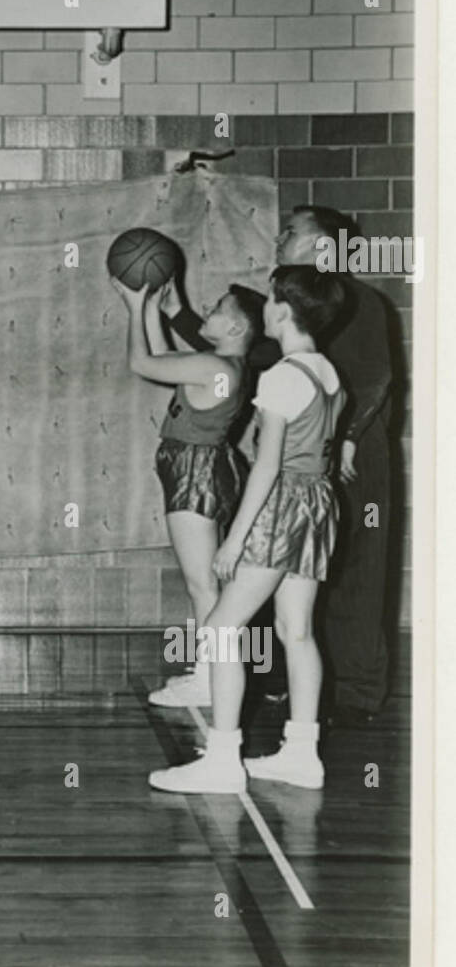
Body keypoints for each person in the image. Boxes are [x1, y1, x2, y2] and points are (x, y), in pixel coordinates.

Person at [169, 206, 396, 724]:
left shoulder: (359, 301)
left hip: (345, 457)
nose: (278, 237)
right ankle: (296, 713)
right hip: (314, 463)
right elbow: (247, 351)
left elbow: (377, 377)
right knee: (299, 608)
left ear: (323, 246)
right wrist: (179, 312)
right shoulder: (306, 322)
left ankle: (355, 693)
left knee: (353, 576)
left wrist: (346, 438)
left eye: (291, 232)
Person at [149, 267, 346, 794]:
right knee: (296, 631)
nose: (266, 306)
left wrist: (235, 539)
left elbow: (266, 465)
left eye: (272, 299)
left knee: (218, 629)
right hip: (320, 504)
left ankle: (221, 759)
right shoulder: (327, 371)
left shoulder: (282, 376)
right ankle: (302, 754)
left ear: (281, 311)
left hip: (280, 506)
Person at [112, 277, 263, 708]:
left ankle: (208, 681)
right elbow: (164, 359)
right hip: (202, 466)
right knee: (205, 585)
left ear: (236, 328)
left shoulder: (215, 368)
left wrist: (135, 306)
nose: (208, 312)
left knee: (203, 587)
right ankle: (206, 673)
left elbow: (142, 364)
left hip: (194, 470)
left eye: (218, 308)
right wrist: (157, 313)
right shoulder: (222, 364)